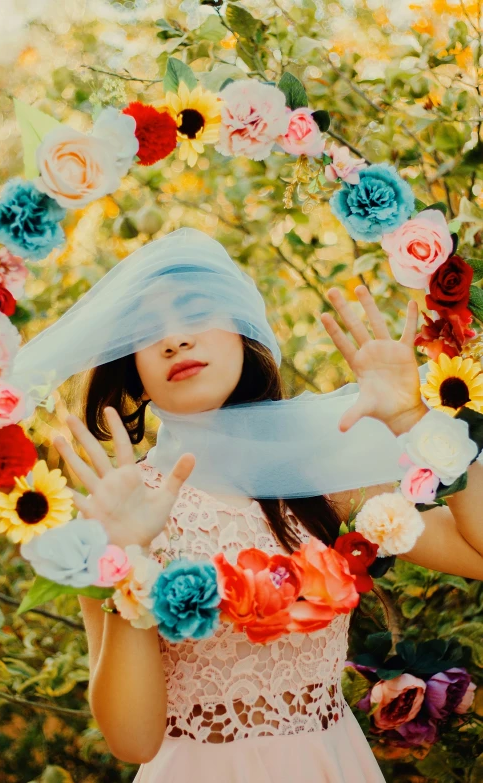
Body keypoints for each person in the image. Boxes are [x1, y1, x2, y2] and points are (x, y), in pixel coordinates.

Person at [47, 228, 483, 782]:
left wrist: (416, 424)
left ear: (243, 330)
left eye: (196, 312)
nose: (174, 340)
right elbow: (133, 740)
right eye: (147, 331)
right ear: (132, 370)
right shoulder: (118, 507)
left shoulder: (318, 479)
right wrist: (127, 556)